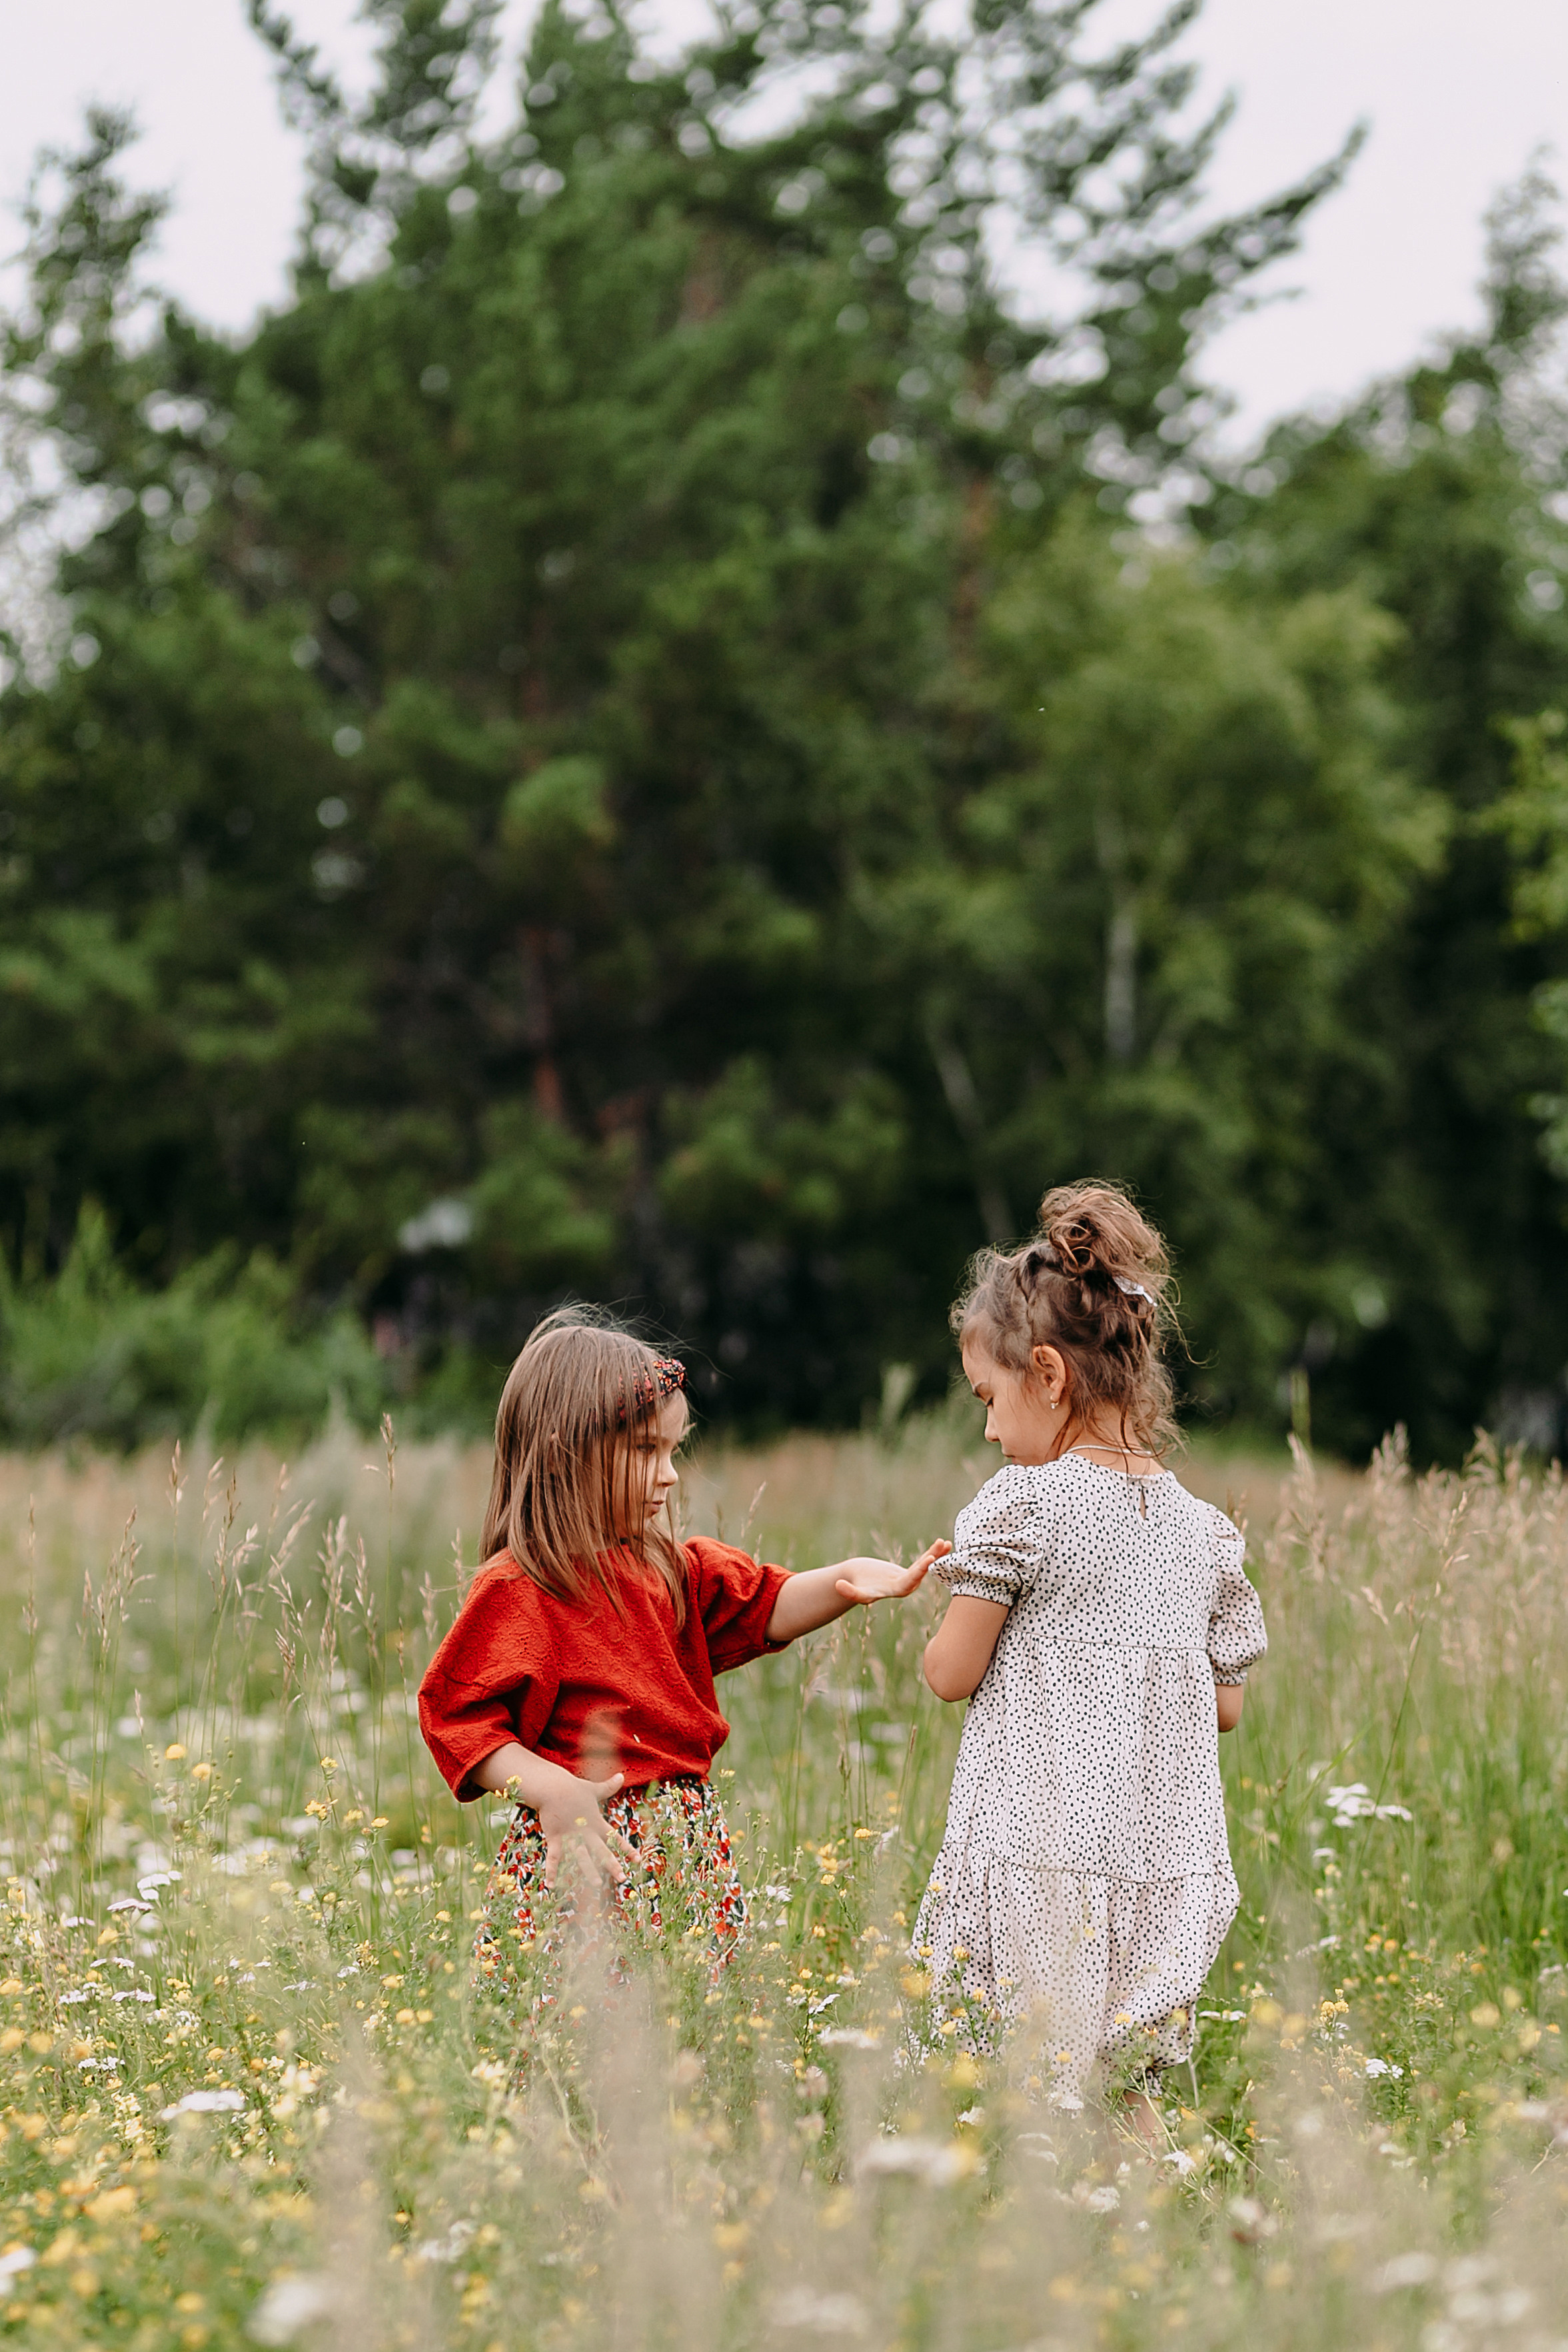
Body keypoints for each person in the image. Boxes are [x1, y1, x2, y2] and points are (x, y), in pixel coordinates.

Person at [418, 1308, 946, 2016]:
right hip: (593, 1846)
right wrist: (551, 1789)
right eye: (644, 1450)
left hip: (688, 1848)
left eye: (674, 1450)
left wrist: (846, 1576)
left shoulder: (673, 1570)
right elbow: (456, 1715)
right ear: (559, 1451)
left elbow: (767, 1603)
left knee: (690, 2027)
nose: (668, 1475)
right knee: (577, 2034)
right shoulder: (523, 1587)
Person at [914, 1181, 1265, 2124]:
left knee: (1018, 2091)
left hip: (1039, 1856)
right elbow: (1223, 1707)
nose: (989, 1427)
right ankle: (1150, 2249)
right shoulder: (1205, 1535)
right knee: (1124, 2096)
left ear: (1048, 1374)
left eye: (989, 1399)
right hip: (1163, 1867)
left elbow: (949, 1675)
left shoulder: (1023, 1507)